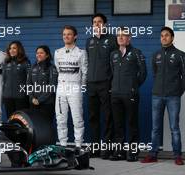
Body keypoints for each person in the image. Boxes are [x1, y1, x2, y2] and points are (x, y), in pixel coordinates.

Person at [141, 27, 185, 165]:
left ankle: (177, 155)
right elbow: (155, 74)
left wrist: (178, 91)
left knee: (174, 127)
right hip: (157, 96)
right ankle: (153, 154)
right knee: (155, 128)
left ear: (172, 38)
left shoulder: (180, 55)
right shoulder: (156, 55)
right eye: (162, 36)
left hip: (173, 97)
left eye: (166, 35)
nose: (164, 38)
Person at [109, 27, 147, 162]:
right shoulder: (113, 54)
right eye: (118, 35)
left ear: (129, 38)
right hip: (115, 94)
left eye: (124, 35)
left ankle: (133, 153)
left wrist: (133, 87)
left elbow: (143, 73)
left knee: (132, 124)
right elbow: (113, 73)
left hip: (130, 94)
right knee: (118, 124)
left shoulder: (136, 52)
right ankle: (119, 152)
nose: (120, 37)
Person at [85, 13, 118, 158]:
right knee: (93, 117)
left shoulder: (112, 40)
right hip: (91, 84)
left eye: (99, 22)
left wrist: (112, 82)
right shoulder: (89, 41)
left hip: (106, 83)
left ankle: (107, 148)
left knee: (107, 117)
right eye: (94, 22)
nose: (97, 24)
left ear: (105, 24)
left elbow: (116, 63)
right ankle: (95, 148)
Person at [54, 25, 88, 151]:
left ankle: (78, 145)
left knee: (77, 118)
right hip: (61, 88)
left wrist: (81, 87)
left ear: (75, 37)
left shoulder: (81, 53)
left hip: (75, 88)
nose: (66, 36)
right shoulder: (57, 52)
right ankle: (62, 145)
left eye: (69, 34)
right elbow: (58, 69)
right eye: (64, 34)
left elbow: (85, 72)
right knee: (61, 118)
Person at [27, 45, 58, 119]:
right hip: (33, 102)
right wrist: (32, 98)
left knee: (46, 126)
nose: (39, 55)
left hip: (47, 103)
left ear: (47, 55)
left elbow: (52, 86)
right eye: (37, 53)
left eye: (41, 53)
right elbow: (28, 84)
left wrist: (39, 100)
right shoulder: (33, 67)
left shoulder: (51, 68)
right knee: (35, 126)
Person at [2, 41, 30, 118]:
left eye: (14, 48)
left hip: (21, 98)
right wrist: (3, 95)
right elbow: (4, 80)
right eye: (10, 48)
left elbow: (29, 81)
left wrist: (28, 95)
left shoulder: (25, 62)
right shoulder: (6, 62)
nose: (11, 50)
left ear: (19, 49)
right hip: (8, 97)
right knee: (10, 119)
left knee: (21, 120)